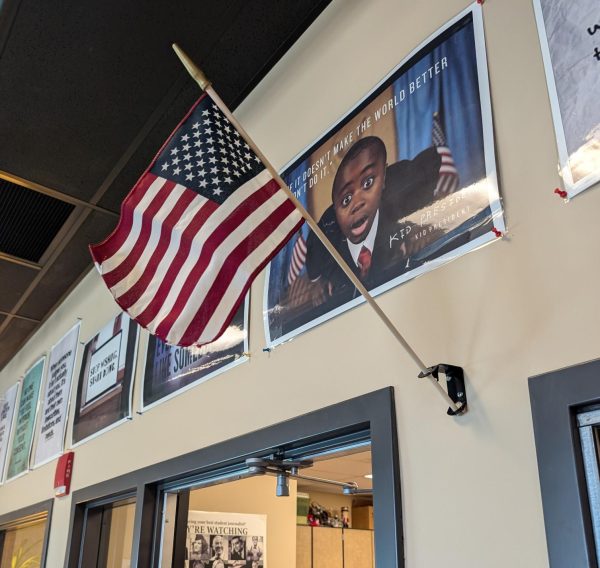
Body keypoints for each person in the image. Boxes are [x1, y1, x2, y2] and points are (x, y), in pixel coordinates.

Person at [305, 135, 444, 299]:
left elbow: (436, 173)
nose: (357, 203)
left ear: (383, 179)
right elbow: (314, 279)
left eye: (368, 183)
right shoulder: (323, 240)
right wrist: (316, 285)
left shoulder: (407, 187)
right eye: (346, 200)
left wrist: (428, 224)